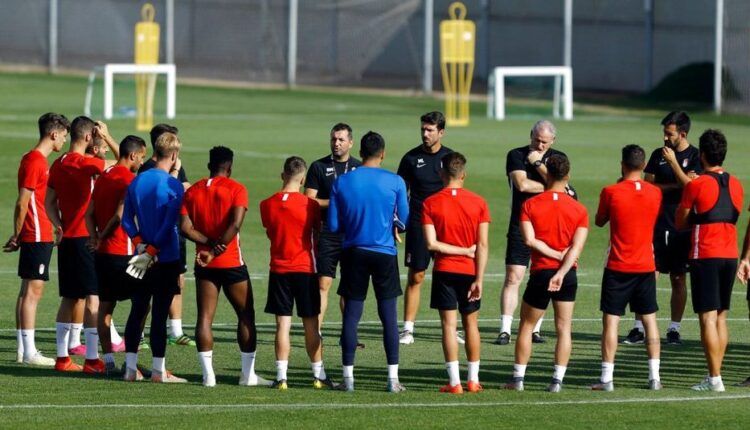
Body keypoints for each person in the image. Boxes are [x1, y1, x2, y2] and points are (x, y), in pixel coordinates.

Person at [180, 146, 269, 387]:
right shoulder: (237, 188)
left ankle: (208, 376)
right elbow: (236, 223)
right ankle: (247, 376)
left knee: (205, 318)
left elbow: (185, 228)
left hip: (204, 263)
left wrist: (208, 245)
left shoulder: (193, 191)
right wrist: (220, 246)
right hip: (231, 262)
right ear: (229, 167)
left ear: (209, 166)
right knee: (246, 315)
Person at [329, 131, 409, 392]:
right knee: (389, 317)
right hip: (385, 253)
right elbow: (404, 220)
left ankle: (348, 380)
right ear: (383, 153)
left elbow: (332, 224)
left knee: (351, 316)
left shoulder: (342, 182)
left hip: (354, 252)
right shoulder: (395, 181)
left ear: (360, 153)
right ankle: (393, 380)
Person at [503, 154, 588, 392]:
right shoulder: (578, 209)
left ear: (547, 174)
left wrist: (553, 256)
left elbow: (529, 240)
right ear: (568, 176)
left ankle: (518, 379)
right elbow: (577, 247)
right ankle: (557, 381)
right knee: (564, 328)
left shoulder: (530, 204)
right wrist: (563, 266)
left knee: (526, 326)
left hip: (541, 273)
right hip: (568, 274)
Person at [45, 116, 119, 373]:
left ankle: (62, 358)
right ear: (89, 138)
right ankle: (91, 359)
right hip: (86, 239)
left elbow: (48, 202)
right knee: (93, 299)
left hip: (67, 239)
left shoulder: (58, 163)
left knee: (69, 298)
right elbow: (127, 165)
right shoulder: (87, 163)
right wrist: (108, 136)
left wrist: (58, 225)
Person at [625, 111, 700, 345]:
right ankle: (639, 327)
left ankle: (674, 329)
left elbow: (693, 188)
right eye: (664, 133)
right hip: (656, 223)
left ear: (683, 133)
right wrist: (678, 183)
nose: (665, 139)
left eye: (670, 134)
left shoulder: (696, 156)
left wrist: (674, 167)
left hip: (682, 225)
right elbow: (649, 186)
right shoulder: (657, 154)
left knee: (678, 278)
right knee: (648, 276)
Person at [676, 129, 743, 392]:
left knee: (707, 318)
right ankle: (716, 374)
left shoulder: (697, 184)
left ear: (701, 155)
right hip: (730, 255)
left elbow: (680, 221)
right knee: (722, 318)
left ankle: (714, 378)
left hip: (705, 253)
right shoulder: (736, 183)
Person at [591, 145, 662, 391]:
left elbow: (599, 221)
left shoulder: (611, 191)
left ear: (622, 164)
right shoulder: (655, 193)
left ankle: (606, 378)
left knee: (611, 322)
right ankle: (654, 377)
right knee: (650, 320)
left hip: (619, 265)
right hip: (645, 264)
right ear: (643, 166)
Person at [262, 156, 336, 390]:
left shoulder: (267, 204)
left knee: (282, 325)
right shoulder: (310, 205)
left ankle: (281, 377)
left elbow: (270, 232)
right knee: (311, 325)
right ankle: (318, 375)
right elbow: (317, 230)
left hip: (279, 270)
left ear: (282, 175)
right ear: (303, 178)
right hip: (305, 269)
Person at [497, 120, 573, 346]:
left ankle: (535, 329)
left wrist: (538, 163)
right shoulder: (516, 155)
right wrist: (553, 185)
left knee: (544, 277)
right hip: (521, 223)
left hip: (550, 226)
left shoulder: (559, 158)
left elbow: (568, 189)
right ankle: (505, 329)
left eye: (545, 142)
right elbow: (522, 185)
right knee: (513, 276)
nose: (539, 145)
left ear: (553, 141)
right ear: (531, 135)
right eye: (536, 140)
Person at [4, 113, 69, 366]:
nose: (63, 140)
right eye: (63, 136)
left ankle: (23, 349)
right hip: (37, 232)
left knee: (26, 291)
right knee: (33, 291)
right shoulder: (36, 162)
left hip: (36, 231)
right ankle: (30, 352)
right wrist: (18, 233)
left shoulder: (31, 159)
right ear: (53, 134)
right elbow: (22, 202)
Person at [121, 132, 186, 383]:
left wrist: (140, 245)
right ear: (174, 155)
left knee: (137, 310)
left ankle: (130, 368)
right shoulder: (173, 185)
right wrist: (153, 250)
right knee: (159, 313)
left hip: (140, 254)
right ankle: (158, 371)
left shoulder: (136, 181)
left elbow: (126, 219)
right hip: (165, 256)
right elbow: (170, 223)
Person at [422, 152, 490, 394]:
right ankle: (473, 379)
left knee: (448, 326)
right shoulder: (479, 202)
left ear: (442, 174)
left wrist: (458, 250)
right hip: (470, 272)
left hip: (445, 270)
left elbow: (432, 244)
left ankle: (454, 383)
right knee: (471, 324)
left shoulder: (430, 203)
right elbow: (482, 245)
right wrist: (479, 278)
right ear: (463, 175)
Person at [84, 135, 147, 374]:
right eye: (141, 157)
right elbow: (120, 216)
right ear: (133, 155)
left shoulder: (104, 176)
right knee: (141, 303)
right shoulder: (129, 180)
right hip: (125, 252)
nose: (141, 161)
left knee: (106, 309)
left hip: (103, 255)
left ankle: (108, 360)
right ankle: (132, 360)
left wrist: (94, 237)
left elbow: (89, 213)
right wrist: (101, 236)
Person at [397, 111, 454, 345]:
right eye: (423, 129)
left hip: (445, 224)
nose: (425, 134)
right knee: (417, 275)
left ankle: (450, 328)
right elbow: (400, 193)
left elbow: (456, 192)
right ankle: (408, 329)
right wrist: (398, 221)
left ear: (441, 132)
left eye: (430, 130)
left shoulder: (450, 158)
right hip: (419, 224)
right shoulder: (411, 158)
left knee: (449, 275)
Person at [138, 123, 195, 348]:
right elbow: (172, 196)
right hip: (151, 242)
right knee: (142, 292)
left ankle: (176, 331)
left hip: (171, 239)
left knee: (177, 282)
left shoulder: (176, 168)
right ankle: (140, 338)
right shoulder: (146, 171)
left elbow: (185, 188)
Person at [303, 123, 362, 333]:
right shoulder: (318, 166)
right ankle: (315, 332)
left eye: (341, 140)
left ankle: (348, 334)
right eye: (333, 139)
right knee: (323, 284)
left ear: (351, 143)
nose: (336, 144)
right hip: (326, 231)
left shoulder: (359, 168)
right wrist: (336, 201)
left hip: (353, 233)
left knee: (349, 288)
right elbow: (309, 200)